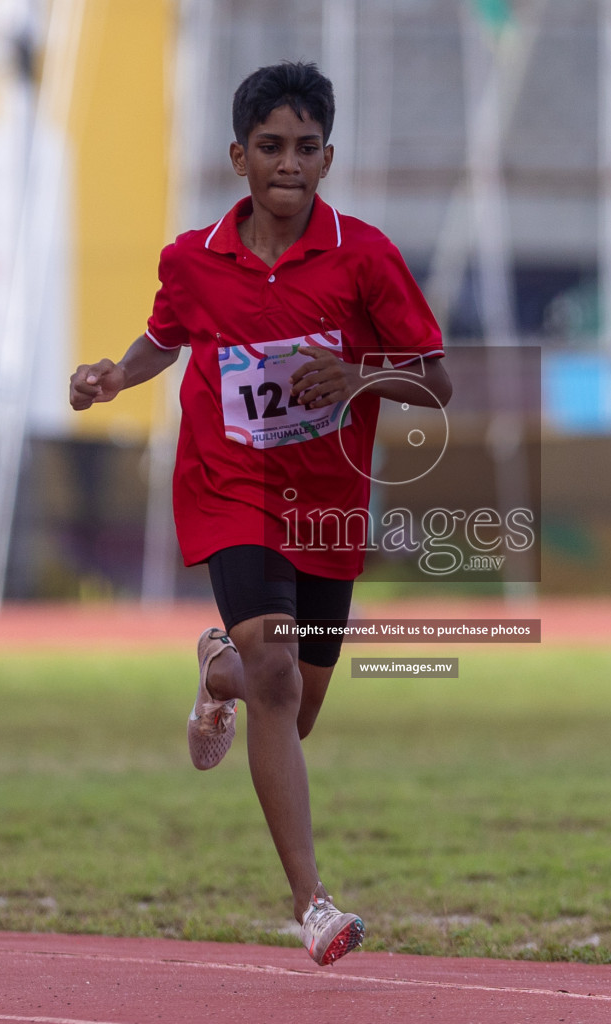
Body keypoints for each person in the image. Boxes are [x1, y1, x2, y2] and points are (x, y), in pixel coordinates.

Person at [68, 61, 451, 966]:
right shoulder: (192, 260)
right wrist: (116, 375)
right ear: (238, 156)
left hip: (327, 499)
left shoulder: (366, 256)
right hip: (228, 482)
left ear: (329, 158)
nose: (289, 163)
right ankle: (312, 904)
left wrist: (360, 376)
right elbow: (164, 338)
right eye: (270, 147)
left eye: (306, 149)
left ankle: (217, 672)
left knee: (296, 703)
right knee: (275, 669)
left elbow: (435, 381)